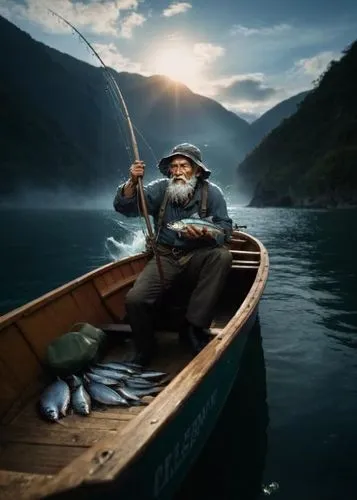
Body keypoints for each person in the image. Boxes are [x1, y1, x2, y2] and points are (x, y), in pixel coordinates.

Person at [113, 143, 233, 365]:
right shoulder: (160, 189)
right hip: (165, 257)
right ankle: (145, 347)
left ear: (197, 170)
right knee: (135, 299)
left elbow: (226, 230)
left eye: (184, 166)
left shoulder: (213, 193)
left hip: (199, 255)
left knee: (223, 256)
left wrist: (207, 235)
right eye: (174, 166)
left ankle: (193, 327)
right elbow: (125, 207)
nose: (177, 171)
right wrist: (131, 182)